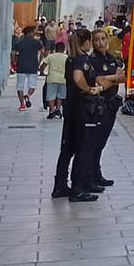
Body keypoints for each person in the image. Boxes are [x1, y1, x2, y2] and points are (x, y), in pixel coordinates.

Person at [79, 28, 126, 191]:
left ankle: (97, 174)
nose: (100, 43)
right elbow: (101, 84)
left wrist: (110, 78)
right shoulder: (94, 60)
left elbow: (123, 77)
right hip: (99, 107)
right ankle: (90, 177)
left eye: (103, 39)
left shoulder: (112, 58)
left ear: (107, 40)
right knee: (94, 143)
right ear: (92, 42)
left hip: (111, 106)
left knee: (102, 143)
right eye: (97, 40)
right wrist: (113, 79)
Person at [54, 29, 94, 200]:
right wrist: (89, 90)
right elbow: (78, 78)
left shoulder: (70, 59)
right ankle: (78, 188)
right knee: (82, 148)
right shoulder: (82, 60)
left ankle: (60, 186)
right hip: (80, 109)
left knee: (67, 149)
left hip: (69, 108)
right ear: (86, 42)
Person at [11, 25, 45, 111]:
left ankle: (22, 104)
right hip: (33, 66)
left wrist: (14, 62)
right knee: (32, 86)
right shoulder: (37, 42)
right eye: (34, 32)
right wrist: (40, 60)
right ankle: (28, 96)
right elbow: (43, 51)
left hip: (21, 66)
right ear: (30, 33)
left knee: (20, 86)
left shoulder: (19, 43)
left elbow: (13, 53)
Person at [39, 42, 69, 120]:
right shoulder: (67, 57)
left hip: (52, 78)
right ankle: (58, 109)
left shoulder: (51, 56)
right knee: (60, 96)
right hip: (63, 79)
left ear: (55, 49)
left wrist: (42, 73)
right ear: (64, 49)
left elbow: (43, 65)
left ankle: (51, 111)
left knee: (51, 95)